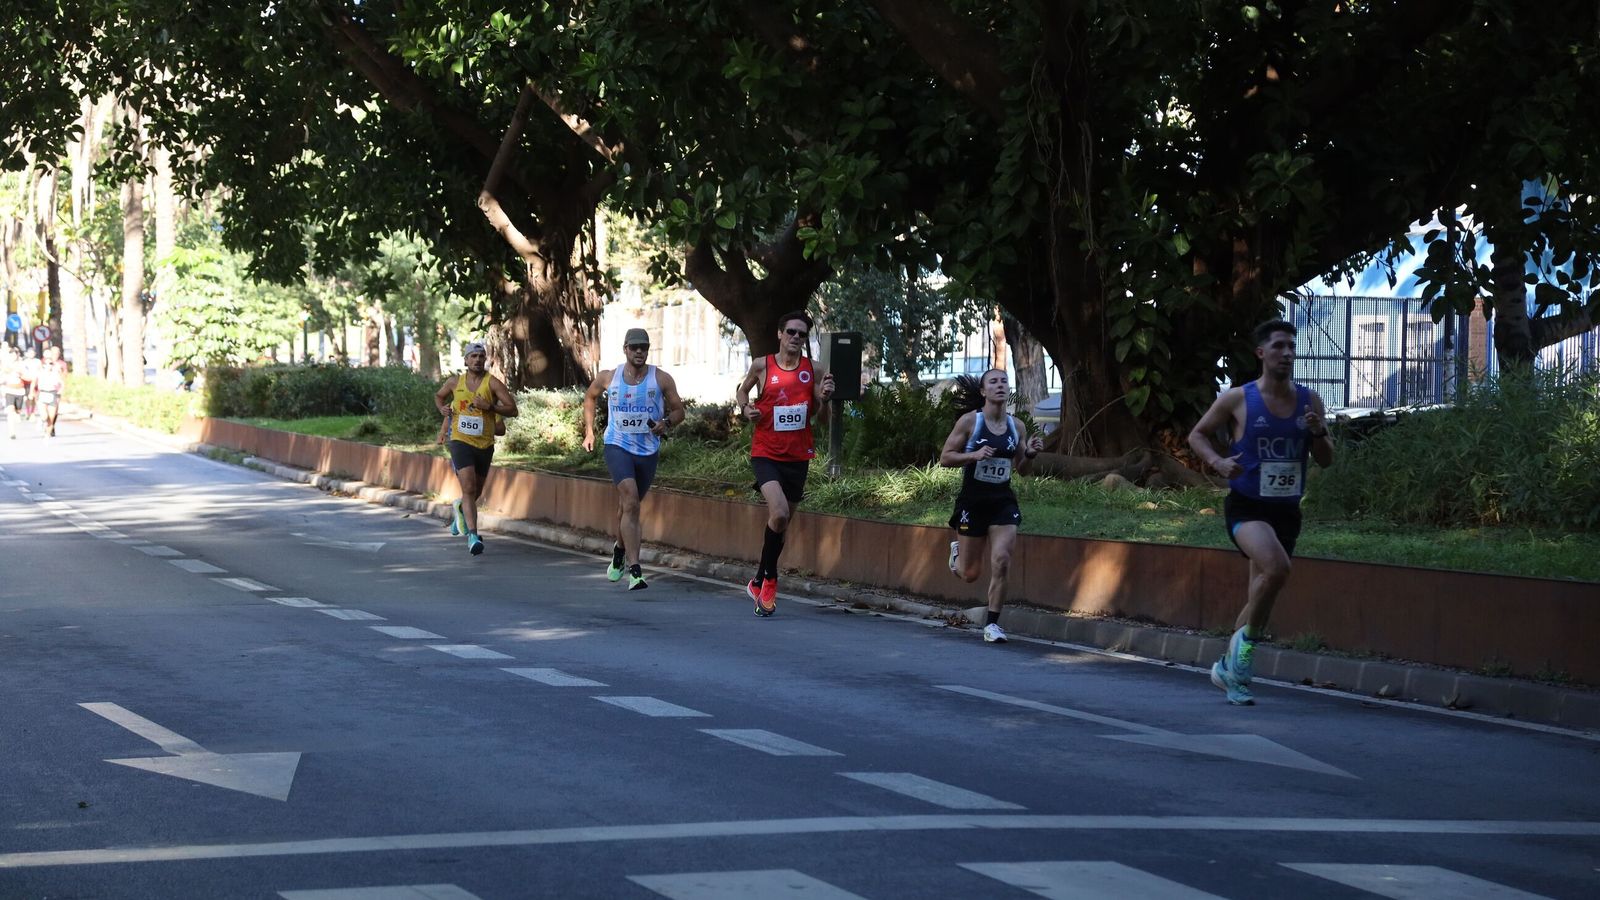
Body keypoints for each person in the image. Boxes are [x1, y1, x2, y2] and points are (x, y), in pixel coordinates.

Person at [1187, 319, 1333, 705]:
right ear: (1261, 353)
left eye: (1291, 346)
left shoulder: (1309, 400)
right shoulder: (1238, 398)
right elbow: (1197, 435)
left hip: (1286, 511)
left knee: (1260, 595)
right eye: (1280, 346)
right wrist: (1217, 463)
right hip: (1247, 506)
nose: (1287, 353)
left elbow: (1327, 459)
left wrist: (1318, 433)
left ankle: (1229, 672)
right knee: (1277, 568)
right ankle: (1248, 649)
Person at [735, 310, 834, 616]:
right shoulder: (762, 365)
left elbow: (821, 418)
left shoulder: (814, 370)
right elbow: (742, 391)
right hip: (765, 452)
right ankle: (771, 580)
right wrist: (746, 409)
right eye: (791, 331)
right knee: (777, 513)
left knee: (782, 523)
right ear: (780, 333)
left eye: (802, 334)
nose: (795, 338)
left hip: (798, 456)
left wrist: (825, 400)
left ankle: (758, 577)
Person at [940, 369, 1043, 643]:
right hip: (972, 502)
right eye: (993, 382)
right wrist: (973, 454)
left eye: (1004, 381)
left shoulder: (1016, 426)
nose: (1000, 386)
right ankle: (957, 556)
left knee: (1002, 560)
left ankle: (992, 624)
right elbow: (945, 458)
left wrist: (1030, 454)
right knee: (970, 574)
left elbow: (1022, 469)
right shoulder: (970, 422)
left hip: (1002, 502)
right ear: (984, 392)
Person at [581, 328, 686, 591]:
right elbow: (590, 398)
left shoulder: (660, 378)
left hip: (647, 450)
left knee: (628, 508)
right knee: (630, 500)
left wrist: (666, 423)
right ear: (625, 349)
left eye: (644, 348)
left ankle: (619, 548)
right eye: (634, 347)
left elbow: (679, 410)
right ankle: (636, 570)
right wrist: (590, 431)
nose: (639, 352)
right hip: (617, 445)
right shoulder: (609, 377)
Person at [434, 341, 519, 555]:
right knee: (469, 488)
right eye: (473, 356)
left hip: (484, 444)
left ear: (486, 360)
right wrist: (442, 410)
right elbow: (439, 396)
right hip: (460, 441)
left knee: (475, 492)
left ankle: (461, 508)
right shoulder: (455, 382)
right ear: (465, 360)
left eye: (481, 356)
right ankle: (473, 536)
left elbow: (512, 410)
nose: (478, 360)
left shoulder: (493, 384)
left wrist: (489, 407)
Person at [33, 346, 67, 437]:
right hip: (43, 392)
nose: (49, 365)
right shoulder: (42, 366)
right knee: (44, 414)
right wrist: (33, 392)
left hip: (54, 393)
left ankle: (50, 428)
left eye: (57, 353)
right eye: (54, 353)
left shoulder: (60, 365)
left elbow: (64, 378)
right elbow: (35, 380)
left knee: (53, 414)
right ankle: (42, 420)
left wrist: (61, 390)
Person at [2, 346, 24, 439]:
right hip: (9, 390)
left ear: (18, 355)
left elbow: (27, 375)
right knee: (10, 410)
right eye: (12, 355)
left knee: (17, 411)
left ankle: (18, 413)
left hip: (19, 391)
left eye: (15, 354)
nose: (14, 356)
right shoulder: (5, 365)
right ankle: (12, 432)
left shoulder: (22, 364)